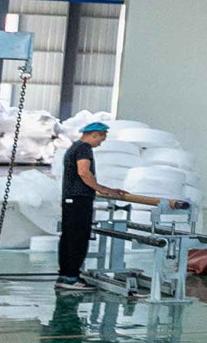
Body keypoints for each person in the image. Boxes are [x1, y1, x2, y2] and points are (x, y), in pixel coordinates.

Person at [57, 120, 167, 280]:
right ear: (94, 134)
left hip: (72, 200)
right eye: (101, 139)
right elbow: (84, 173)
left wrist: (108, 190)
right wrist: (103, 189)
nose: (100, 143)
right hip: (79, 200)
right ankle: (71, 277)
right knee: (77, 239)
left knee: (70, 238)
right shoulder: (83, 148)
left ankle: (66, 275)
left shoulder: (75, 147)